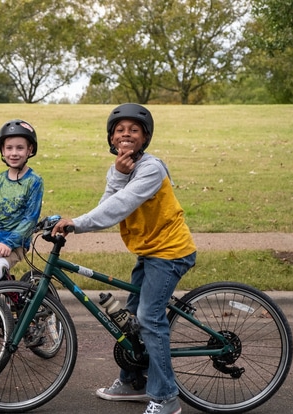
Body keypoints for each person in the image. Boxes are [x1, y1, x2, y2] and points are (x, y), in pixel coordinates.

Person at [52, 103, 196, 414]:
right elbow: (109, 201)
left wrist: (77, 223)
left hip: (170, 252)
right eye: (120, 130)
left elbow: (121, 206)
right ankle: (134, 382)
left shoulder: (151, 168)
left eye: (134, 130)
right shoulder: (119, 169)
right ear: (112, 138)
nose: (126, 134)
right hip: (148, 251)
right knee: (130, 322)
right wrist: (116, 175)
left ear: (145, 137)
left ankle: (167, 398)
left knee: (149, 319)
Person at [0, 119, 44, 363]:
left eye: (20, 148)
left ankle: (22, 317)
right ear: (2, 151)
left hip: (16, 242)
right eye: (9, 148)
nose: (14, 153)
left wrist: (11, 242)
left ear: (30, 150)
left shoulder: (34, 182)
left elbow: (30, 218)